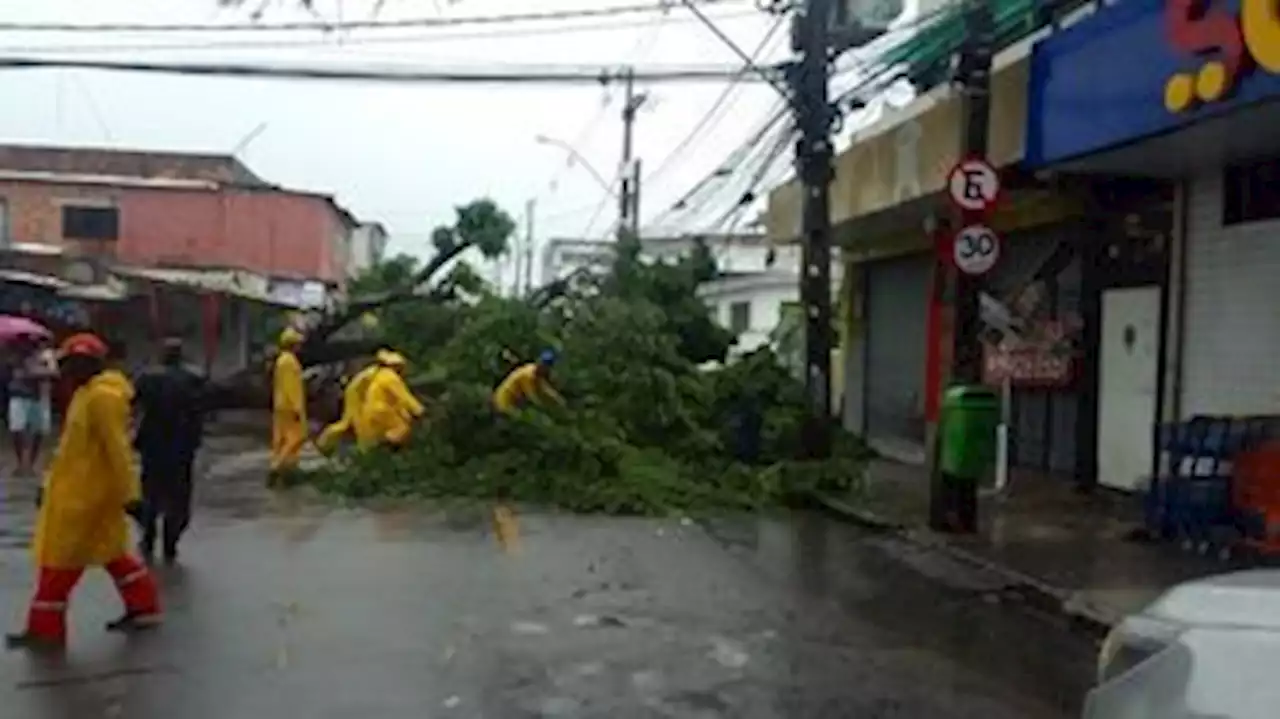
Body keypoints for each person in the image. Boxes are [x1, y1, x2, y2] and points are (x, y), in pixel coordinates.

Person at [6, 333, 161, 651]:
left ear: (93, 364)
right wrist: (47, 485)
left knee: (58, 564)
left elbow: (117, 449)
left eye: (76, 363)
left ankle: (45, 631)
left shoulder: (102, 397)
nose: (69, 370)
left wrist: (131, 496)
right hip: (81, 493)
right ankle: (144, 609)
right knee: (114, 555)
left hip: (85, 498)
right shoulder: (87, 394)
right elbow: (69, 451)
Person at [133, 338, 207, 563]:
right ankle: (170, 543)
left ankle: (148, 538)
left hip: (153, 445)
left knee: (150, 494)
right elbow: (203, 409)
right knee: (179, 497)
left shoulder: (146, 378)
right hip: (182, 447)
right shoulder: (194, 380)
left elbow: (134, 405)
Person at [8, 335, 57, 475]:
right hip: (19, 395)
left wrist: (38, 371)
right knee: (17, 429)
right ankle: (21, 463)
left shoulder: (46, 356)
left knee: (38, 431)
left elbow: (54, 373)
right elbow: (22, 373)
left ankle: (30, 464)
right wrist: (40, 372)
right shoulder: (16, 356)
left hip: (39, 396)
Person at [359, 350, 425, 450]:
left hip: (370, 412)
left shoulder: (379, 376)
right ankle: (388, 447)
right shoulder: (391, 377)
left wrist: (407, 414)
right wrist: (419, 410)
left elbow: (398, 403)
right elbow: (404, 396)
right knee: (403, 428)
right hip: (381, 410)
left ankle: (382, 447)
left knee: (394, 428)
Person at [315, 357, 381, 455]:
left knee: (349, 423)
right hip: (354, 394)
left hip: (354, 392)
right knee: (353, 423)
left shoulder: (375, 372)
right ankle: (365, 450)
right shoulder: (380, 374)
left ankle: (323, 443)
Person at [270, 328, 307, 484]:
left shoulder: (281, 360)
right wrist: (297, 408)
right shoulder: (290, 362)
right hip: (290, 406)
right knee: (296, 437)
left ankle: (284, 469)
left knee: (281, 438)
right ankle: (278, 468)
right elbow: (291, 387)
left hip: (281, 405)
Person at [492, 349, 564, 416]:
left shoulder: (534, 371)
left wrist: (557, 399)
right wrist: (551, 407)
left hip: (512, 401)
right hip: (505, 403)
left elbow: (544, 388)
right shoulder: (529, 376)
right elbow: (534, 397)